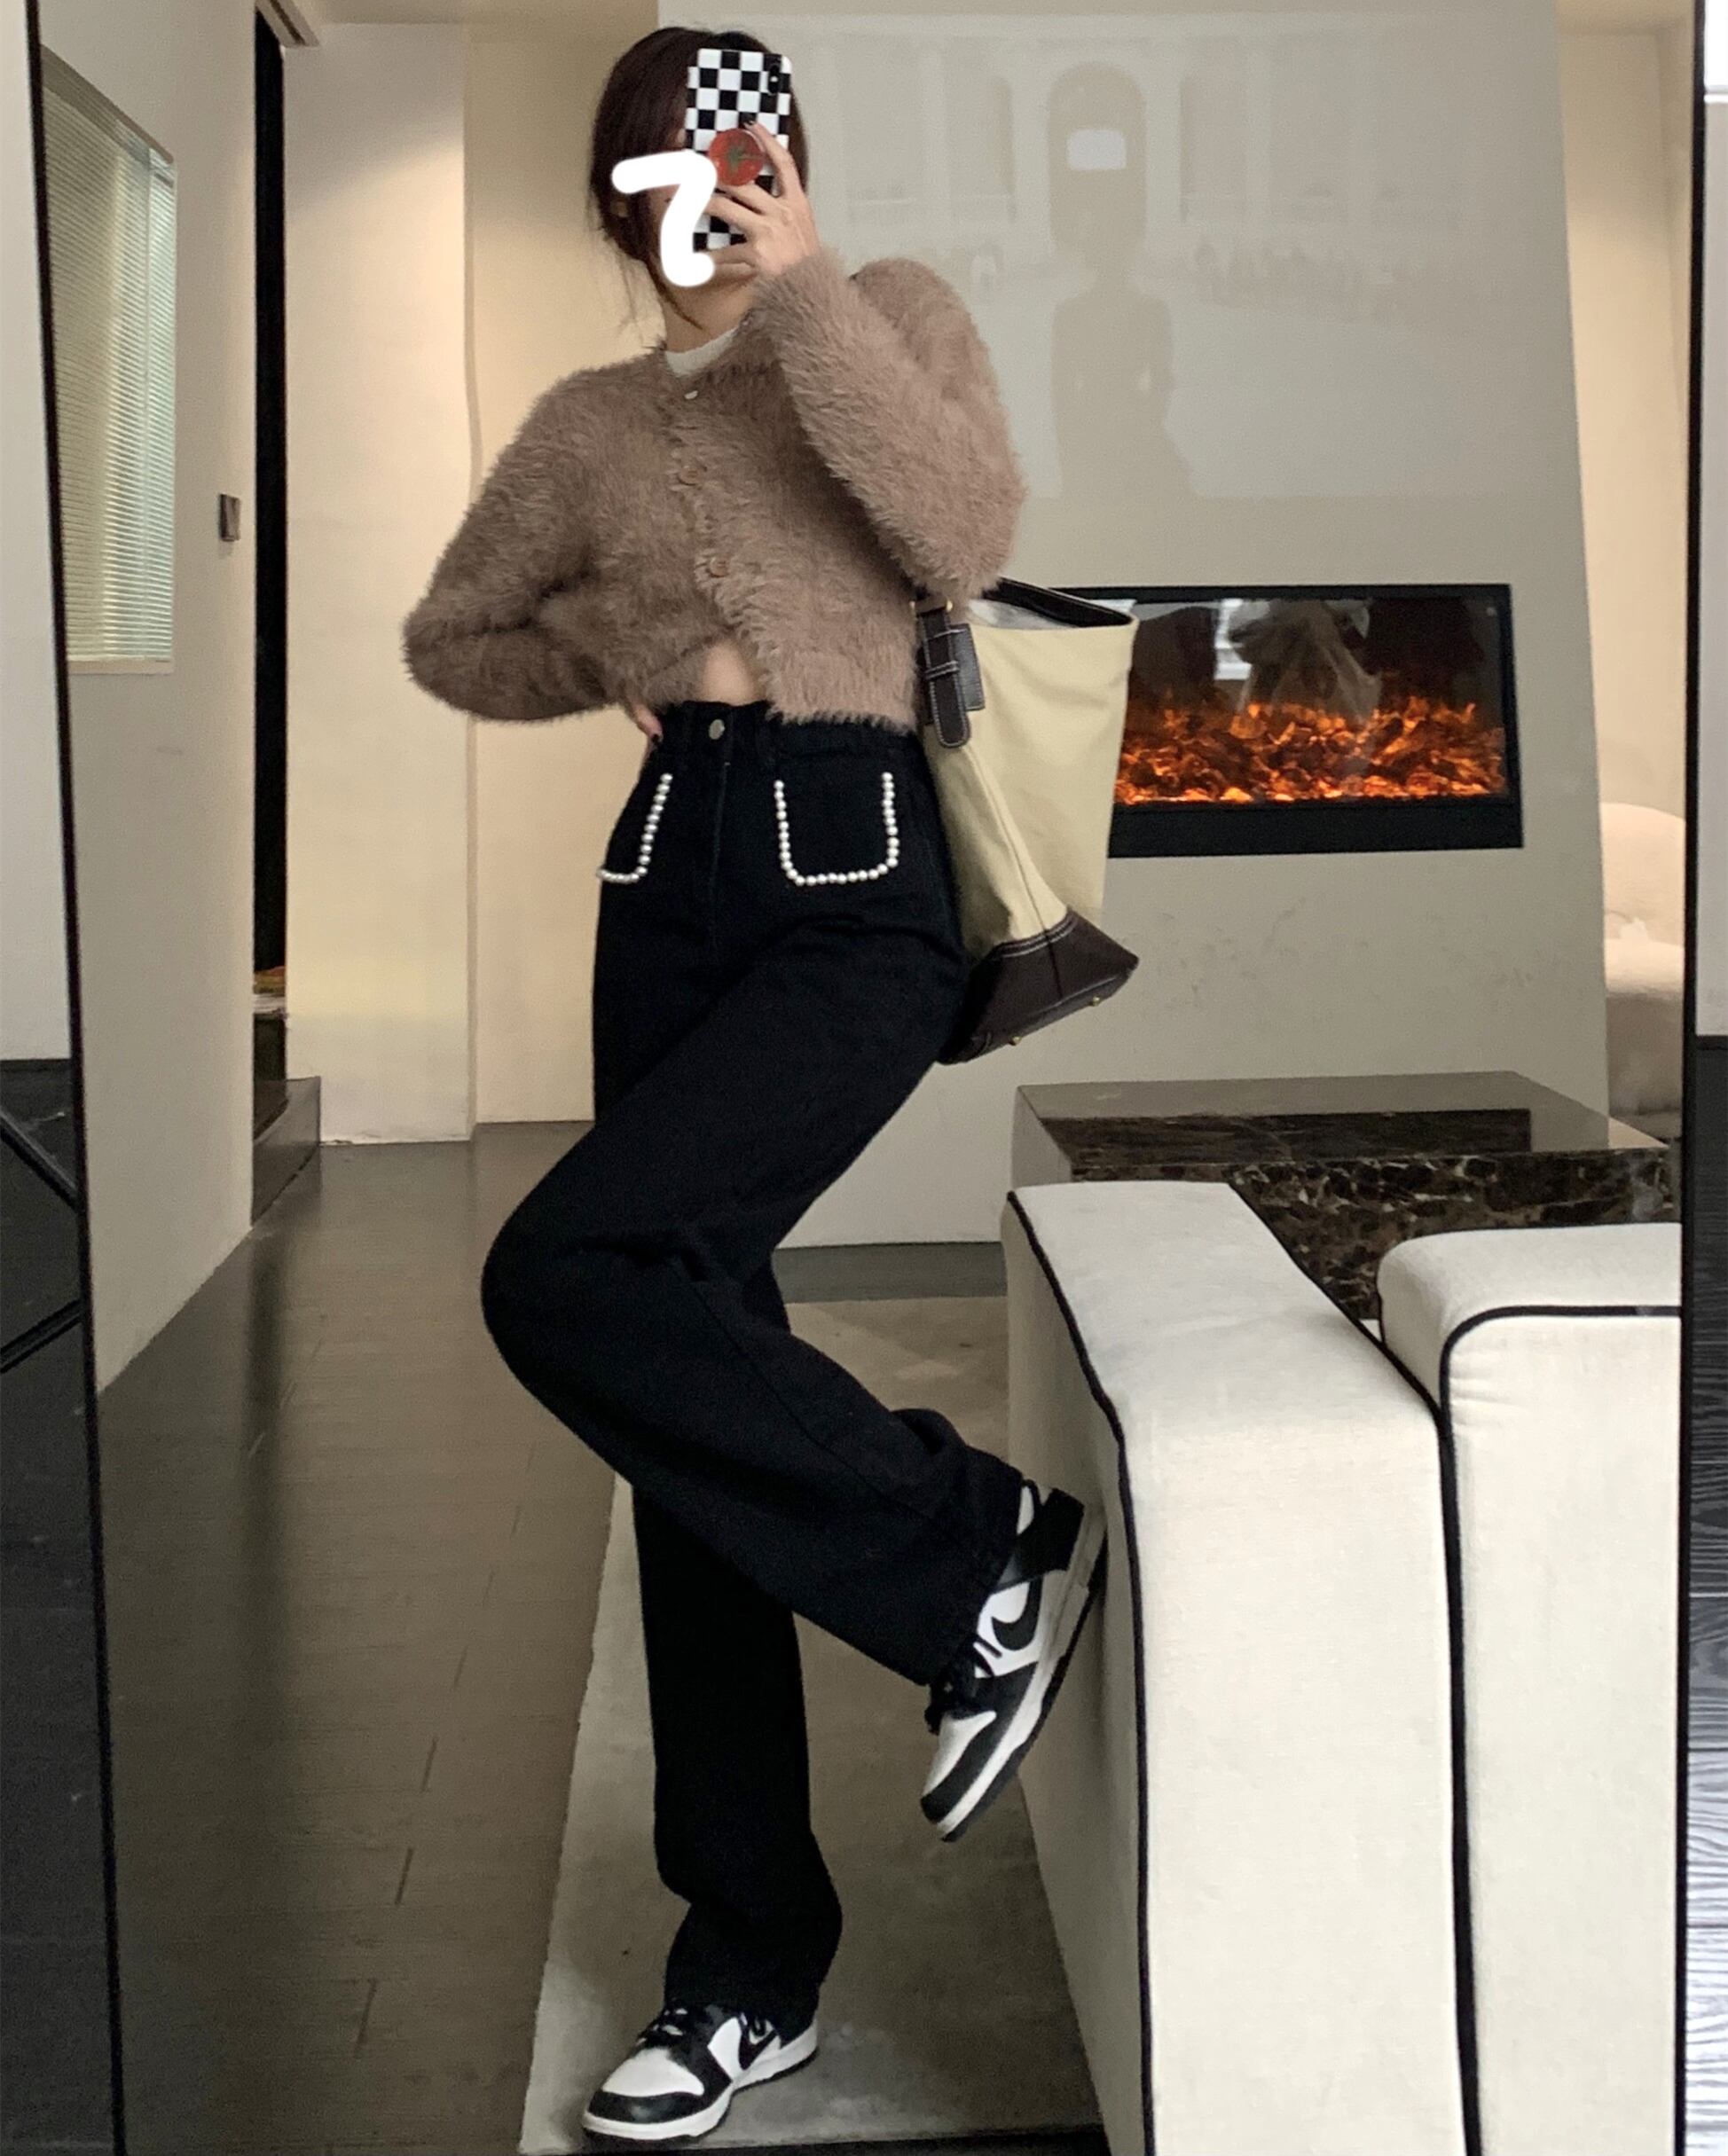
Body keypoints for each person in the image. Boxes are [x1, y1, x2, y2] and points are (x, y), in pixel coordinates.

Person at [400, 26, 1105, 2144]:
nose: (699, 200)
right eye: (658, 173)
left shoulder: (885, 315)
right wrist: (613, 651)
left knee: (568, 1277)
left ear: (784, 164)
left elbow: (960, 532)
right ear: (612, 201)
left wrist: (803, 292)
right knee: (678, 1394)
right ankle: (747, 1964)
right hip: (665, 883)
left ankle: (975, 1550)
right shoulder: (587, 424)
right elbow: (454, 637)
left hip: (850, 872)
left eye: (737, 159)